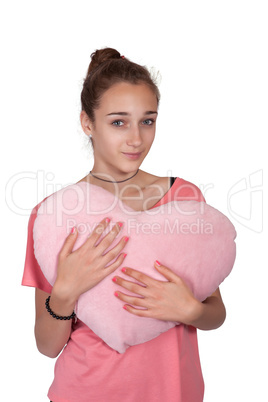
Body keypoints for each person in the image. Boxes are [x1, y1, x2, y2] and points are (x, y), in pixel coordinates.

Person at [22, 47, 226, 402]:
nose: (136, 139)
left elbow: (215, 314)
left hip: (175, 392)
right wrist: (67, 290)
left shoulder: (184, 199)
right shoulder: (55, 215)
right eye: (118, 122)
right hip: (86, 391)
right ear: (88, 123)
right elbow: (47, 345)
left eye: (147, 120)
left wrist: (190, 310)